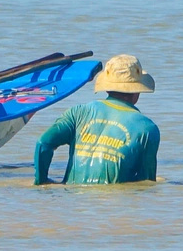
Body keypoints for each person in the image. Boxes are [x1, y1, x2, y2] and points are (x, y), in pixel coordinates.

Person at [33, 54, 160, 185]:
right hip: (115, 203)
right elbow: (146, 183)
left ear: (107, 87)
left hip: (73, 200)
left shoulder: (78, 112)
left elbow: (43, 143)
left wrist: (42, 182)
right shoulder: (147, 128)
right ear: (136, 90)